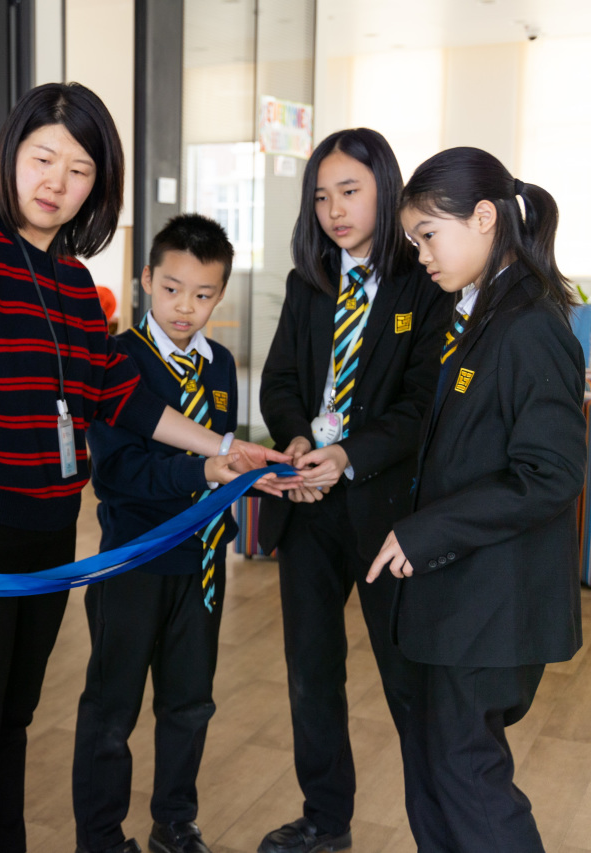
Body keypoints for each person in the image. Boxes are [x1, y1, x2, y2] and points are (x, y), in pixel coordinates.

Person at [0, 81, 295, 853]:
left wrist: (223, 448)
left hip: (47, 535)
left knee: (10, 726)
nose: (57, 183)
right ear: (11, 155)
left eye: (79, 170)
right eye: (43, 158)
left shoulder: (76, 284)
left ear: (98, 185)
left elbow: (121, 396)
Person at [369, 147, 584, 853]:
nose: (422, 254)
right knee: (435, 770)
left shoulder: (531, 326)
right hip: (459, 597)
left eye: (429, 234)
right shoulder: (482, 314)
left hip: (490, 603)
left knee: (466, 777)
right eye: (414, 240)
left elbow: (551, 473)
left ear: (484, 217)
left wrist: (427, 531)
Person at [256, 128, 453, 853]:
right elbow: (280, 381)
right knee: (311, 671)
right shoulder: (308, 282)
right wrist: (297, 442)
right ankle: (325, 819)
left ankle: (442, 828)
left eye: (349, 191)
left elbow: (423, 402)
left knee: (406, 679)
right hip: (308, 503)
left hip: (384, 510)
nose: (334, 210)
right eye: (321, 196)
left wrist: (347, 455)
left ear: (385, 191)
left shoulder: (423, 282)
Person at [72, 215, 238, 853]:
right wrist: (202, 470)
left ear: (219, 295)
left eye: (202, 294)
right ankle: (100, 837)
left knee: (190, 703)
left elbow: (228, 462)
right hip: (132, 564)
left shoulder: (220, 366)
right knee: (111, 710)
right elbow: (117, 474)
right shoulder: (118, 361)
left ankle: (175, 822)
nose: (184, 307)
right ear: (146, 279)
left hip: (202, 566)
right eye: (171, 289)